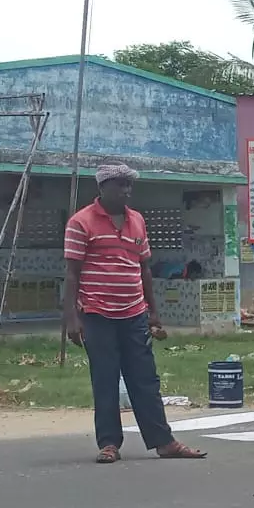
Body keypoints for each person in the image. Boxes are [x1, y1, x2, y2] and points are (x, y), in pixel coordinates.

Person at [62, 163, 206, 464]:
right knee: (105, 379)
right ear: (102, 188)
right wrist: (72, 319)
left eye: (129, 186)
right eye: (119, 185)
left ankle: (163, 441)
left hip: (134, 313)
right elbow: (72, 274)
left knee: (145, 380)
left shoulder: (137, 221)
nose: (126, 191)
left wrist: (153, 312)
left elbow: (143, 269)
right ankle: (109, 444)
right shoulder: (81, 222)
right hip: (97, 314)